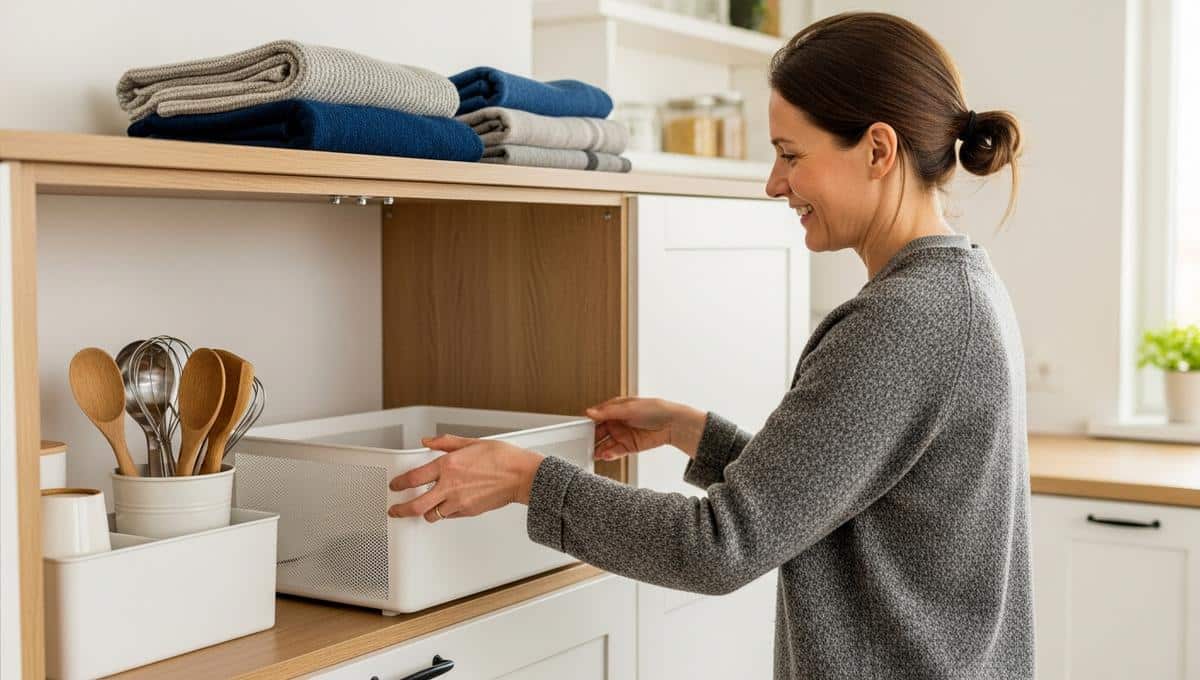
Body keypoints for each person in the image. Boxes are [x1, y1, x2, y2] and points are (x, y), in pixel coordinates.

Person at [388, 11, 1032, 679]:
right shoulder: (963, 289)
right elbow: (835, 496)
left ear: (877, 149)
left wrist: (526, 480)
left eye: (790, 154)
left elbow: (719, 547)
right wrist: (691, 431)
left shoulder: (901, 322)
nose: (774, 183)